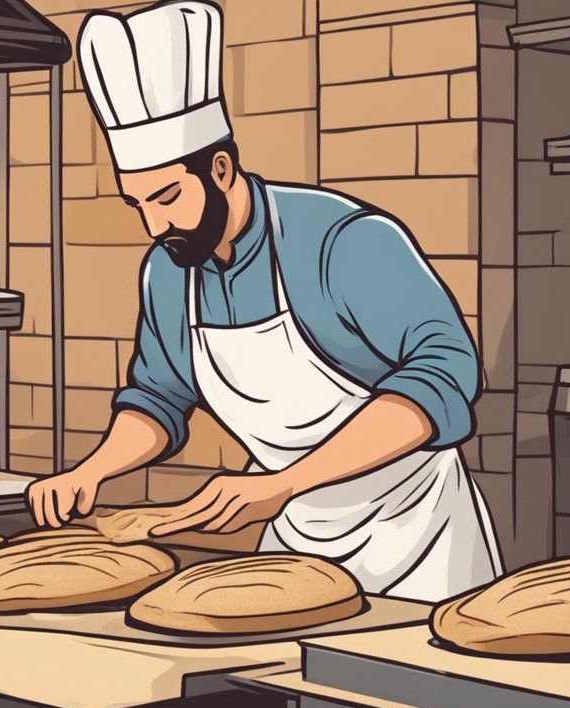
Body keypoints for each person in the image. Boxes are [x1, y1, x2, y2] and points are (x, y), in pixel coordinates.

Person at [26, 0, 503, 602]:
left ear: (220, 168)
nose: (154, 224)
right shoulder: (169, 270)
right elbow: (160, 397)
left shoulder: (342, 240)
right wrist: (94, 469)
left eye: (168, 196)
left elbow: (445, 371)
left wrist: (286, 482)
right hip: (295, 541)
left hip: (417, 538)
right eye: (138, 203)